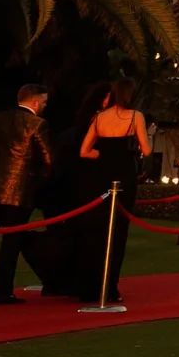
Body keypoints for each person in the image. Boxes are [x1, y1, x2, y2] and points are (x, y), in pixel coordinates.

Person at [0, 82, 52, 304]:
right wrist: (36, 176)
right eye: (44, 102)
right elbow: (48, 159)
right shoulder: (37, 124)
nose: (45, 106)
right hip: (20, 191)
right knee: (11, 241)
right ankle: (3, 292)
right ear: (35, 102)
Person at [73, 81, 148, 303]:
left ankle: (90, 287)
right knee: (118, 234)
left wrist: (103, 155)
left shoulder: (99, 118)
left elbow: (84, 151)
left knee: (97, 231)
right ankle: (110, 288)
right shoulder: (136, 116)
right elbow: (146, 149)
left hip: (101, 176)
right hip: (123, 175)